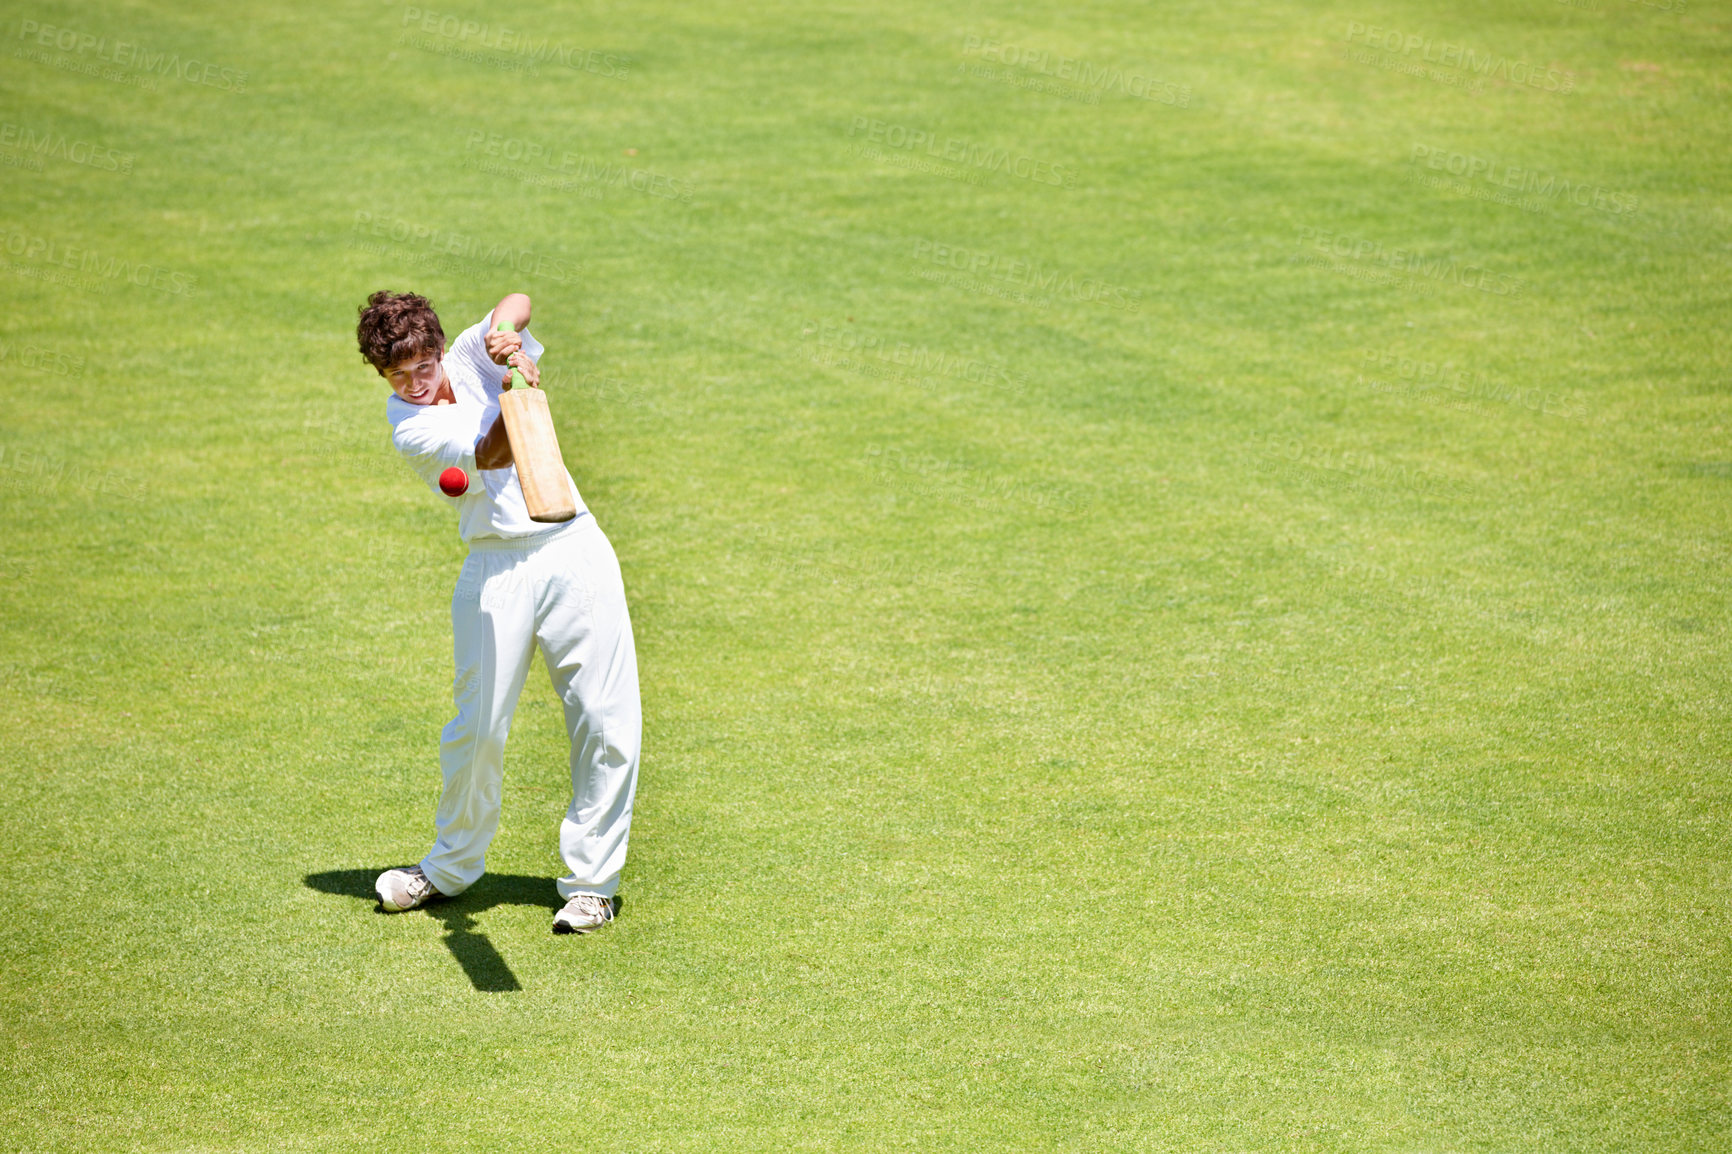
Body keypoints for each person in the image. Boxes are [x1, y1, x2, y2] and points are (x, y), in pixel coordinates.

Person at [354, 289, 640, 934]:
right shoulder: (411, 426)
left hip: (574, 546)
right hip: (495, 567)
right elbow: (494, 453)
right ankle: (450, 866)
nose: (416, 383)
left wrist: (505, 339)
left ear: (436, 348)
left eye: (422, 366)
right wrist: (519, 389)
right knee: (477, 727)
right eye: (397, 375)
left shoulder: (464, 356)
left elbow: (518, 299)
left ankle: (593, 885)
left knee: (602, 714)